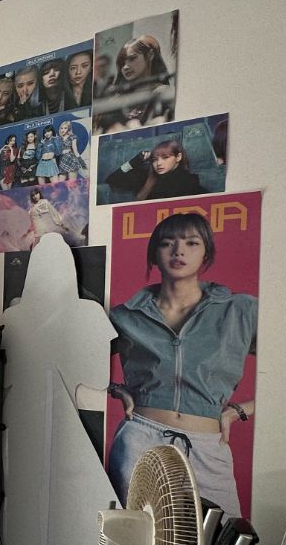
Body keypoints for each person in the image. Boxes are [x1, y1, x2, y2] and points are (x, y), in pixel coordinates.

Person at [107, 212, 257, 518]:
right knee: (138, 540)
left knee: (223, 540)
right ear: (154, 253)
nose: (179, 251)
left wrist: (239, 410)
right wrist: (115, 389)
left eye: (191, 243)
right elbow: (74, 361)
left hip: (207, 447)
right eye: (167, 243)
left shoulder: (240, 311)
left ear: (206, 252)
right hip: (140, 443)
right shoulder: (125, 316)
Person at [104, 136, 203, 201]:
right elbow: (112, 179)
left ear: (178, 157)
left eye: (165, 157)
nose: (159, 163)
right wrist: (134, 161)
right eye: (155, 159)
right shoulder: (146, 176)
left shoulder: (190, 181)